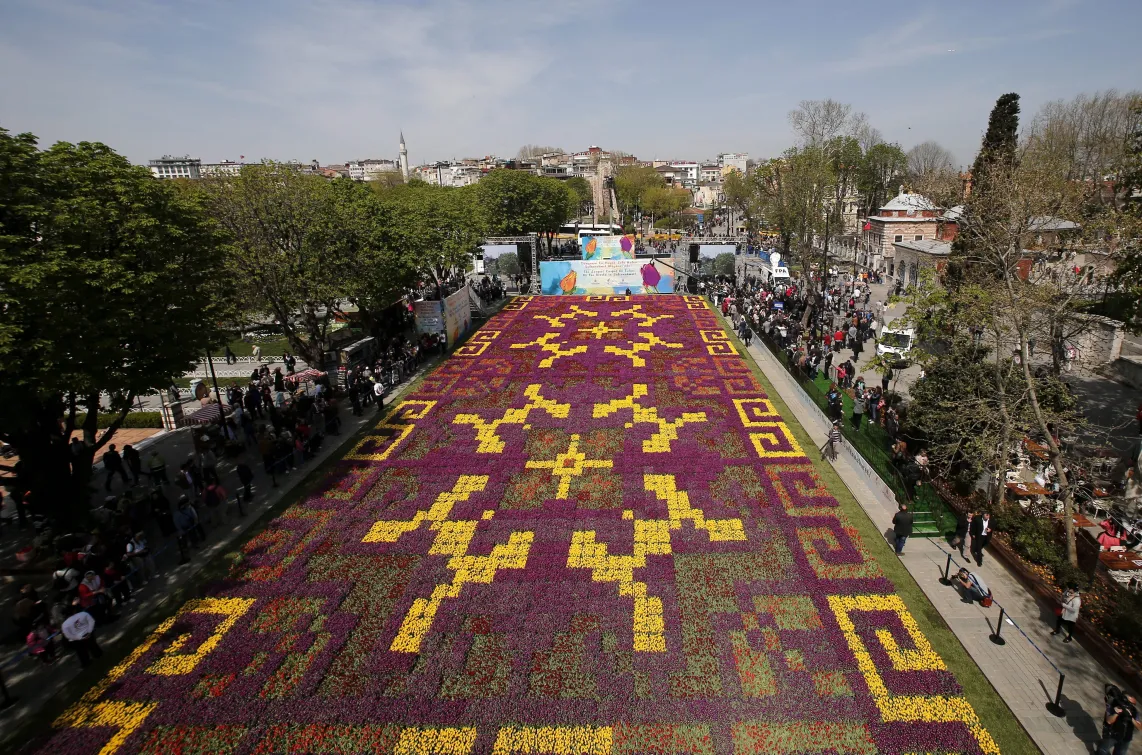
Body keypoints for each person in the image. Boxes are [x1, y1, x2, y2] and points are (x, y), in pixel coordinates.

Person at [1100, 687, 1141, 755]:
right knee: (1102, 751)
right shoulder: (1114, 705)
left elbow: (1139, 727)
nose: (1133, 704)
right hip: (1113, 735)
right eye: (1131, 701)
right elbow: (1109, 721)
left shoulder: (1134, 711)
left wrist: (1131, 718)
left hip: (1126, 738)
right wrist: (1117, 713)